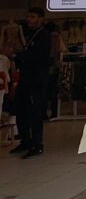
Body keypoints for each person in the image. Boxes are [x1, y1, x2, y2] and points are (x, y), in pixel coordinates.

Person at [11, 8, 52, 158]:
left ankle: (36, 144)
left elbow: (36, 57)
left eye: (33, 17)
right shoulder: (28, 35)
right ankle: (25, 140)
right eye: (28, 17)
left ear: (40, 18)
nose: (29, 20)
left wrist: (19, 55)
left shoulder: (44, 36)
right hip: (25, 79)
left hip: (37, 80)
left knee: (35, 112)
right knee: (21, 109)